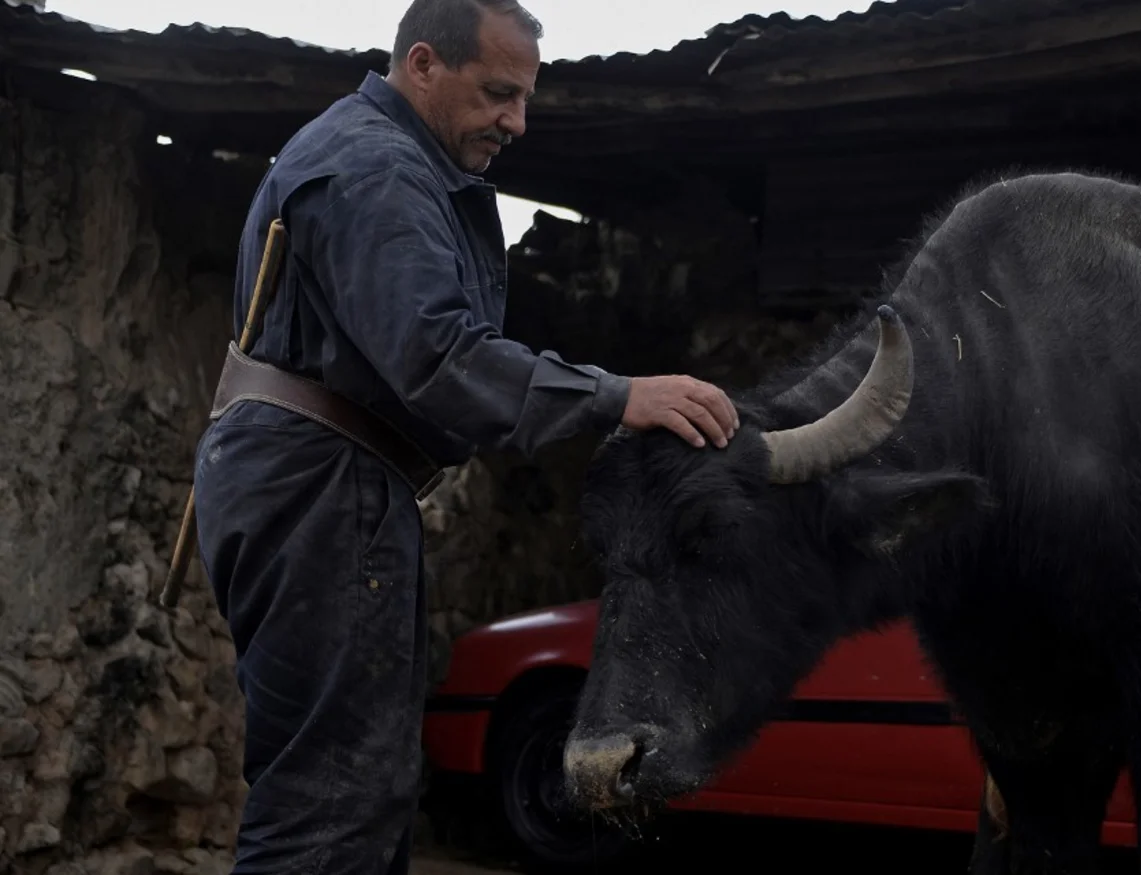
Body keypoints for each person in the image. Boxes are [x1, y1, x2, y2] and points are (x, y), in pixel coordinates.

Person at [191, 0, 739, 872]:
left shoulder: (371, 155)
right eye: (495, 93)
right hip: (325, 489)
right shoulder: (377, 171)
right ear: (421, 65)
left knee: (354, 793)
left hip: (316, 483)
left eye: (523, 98)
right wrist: (617, 395)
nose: (515, 121)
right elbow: (439, 357)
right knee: (331, 804)